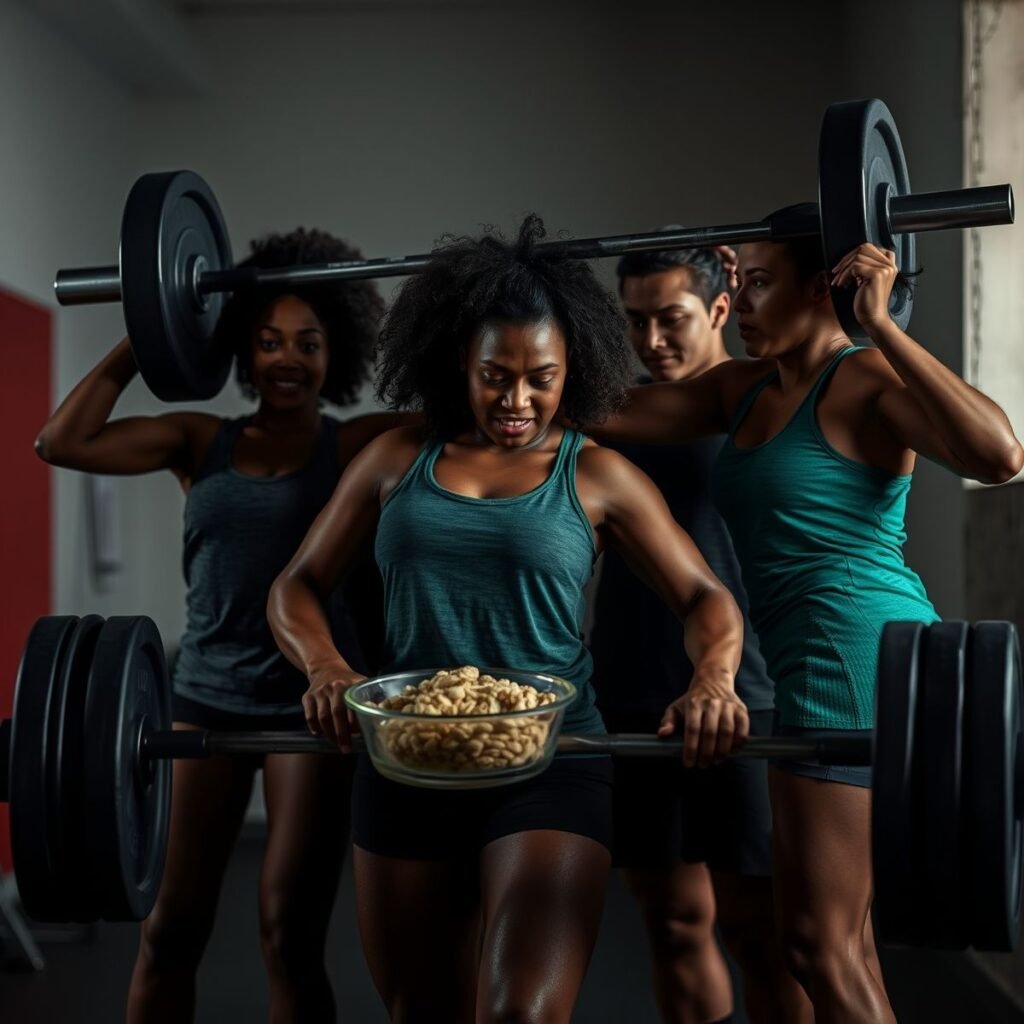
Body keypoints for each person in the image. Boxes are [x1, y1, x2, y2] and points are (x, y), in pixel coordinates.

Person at [267, 216, 749, 1024]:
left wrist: (714, 678)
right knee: (423, 1012)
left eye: (541, 378)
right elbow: (296, 585)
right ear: (460, 360)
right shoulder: (394, 460)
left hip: (551, 760)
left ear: (573, 370)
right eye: (495, 376)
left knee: (521, 1013)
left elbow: (705, 597)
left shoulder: (597, 474)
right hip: (407, 759)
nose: (517, 401)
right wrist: (325, 667)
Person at [583, 205, 1024, 1023]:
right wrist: (507, 353)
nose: (740, 302)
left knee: (820, 946)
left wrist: (880, 325)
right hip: (810, 665)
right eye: (737, 280)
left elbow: (1000, 455)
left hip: (854, 662)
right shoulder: (744, 389)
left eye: (757, 282)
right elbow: (598, 412)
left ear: (823, 288)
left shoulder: (863, 377)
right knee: (835, 944)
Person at [34, 228, 406, 1024]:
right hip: (203, 694)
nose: (286, 359)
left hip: (312, 706)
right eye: (268, 340)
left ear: (335, 351)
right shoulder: (199, 439)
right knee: (169, 929)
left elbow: (457, 414)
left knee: (289, 935)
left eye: (307, 343)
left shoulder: (356, 445)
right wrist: (156, 329)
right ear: (241, 346)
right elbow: (61, 441)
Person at [590, 241, 807, 1024]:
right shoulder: (611, 417)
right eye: (635, 321)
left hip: (749, 691)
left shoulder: (763, 397)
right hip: (632, 686)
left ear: (720, 307)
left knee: (764, 934)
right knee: (673, 922)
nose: (650, 341)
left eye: (670, 318)